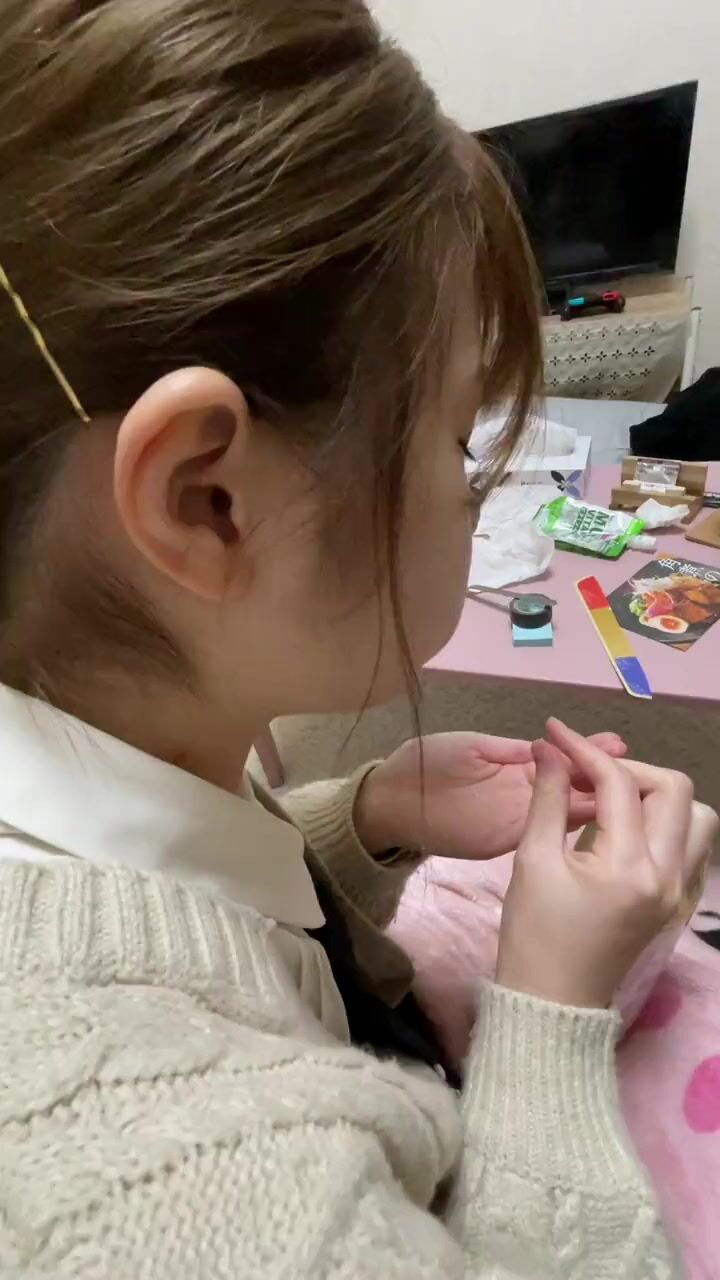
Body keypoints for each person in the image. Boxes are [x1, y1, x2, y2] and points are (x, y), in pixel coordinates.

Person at [0, 2, 714, 1275]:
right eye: (453, 437)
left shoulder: (90, 706)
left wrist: (361, 817)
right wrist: (549, 1005)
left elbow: (178, 888)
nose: (469, 487)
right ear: (207, 500)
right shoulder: (196, 1203)